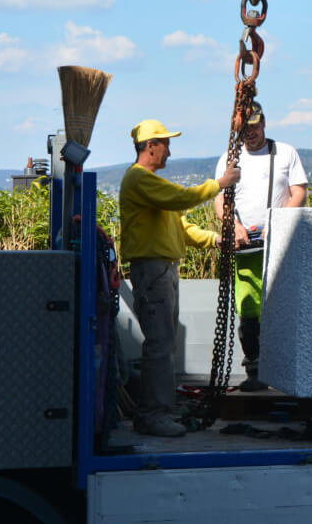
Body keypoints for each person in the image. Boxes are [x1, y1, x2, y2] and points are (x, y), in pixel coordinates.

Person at [121, 119, 241, 437]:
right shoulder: (139, 180)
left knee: (163, 343)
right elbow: (184, 199)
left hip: (162, 269)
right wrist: (221, 183)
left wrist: (216, 239)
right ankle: (153, 415)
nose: (170, 152)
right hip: (154, 270)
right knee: (160, 345)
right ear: (151, 146)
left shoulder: (151, 186)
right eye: (166, 144)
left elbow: (182, 226)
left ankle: (158, 410)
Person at [214, 101, 308, 392]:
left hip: (278, 246)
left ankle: (283, 369)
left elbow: (298, 193)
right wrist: (235, 226)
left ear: (264, 123)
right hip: (246, 250)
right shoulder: (230, 159)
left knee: (280, 305)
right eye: (244, 128)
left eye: (254, 126)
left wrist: (276, 224)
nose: (250, 133)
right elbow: (220, 199)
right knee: (248, 308)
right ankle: (254, 370)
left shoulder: (285, 153)